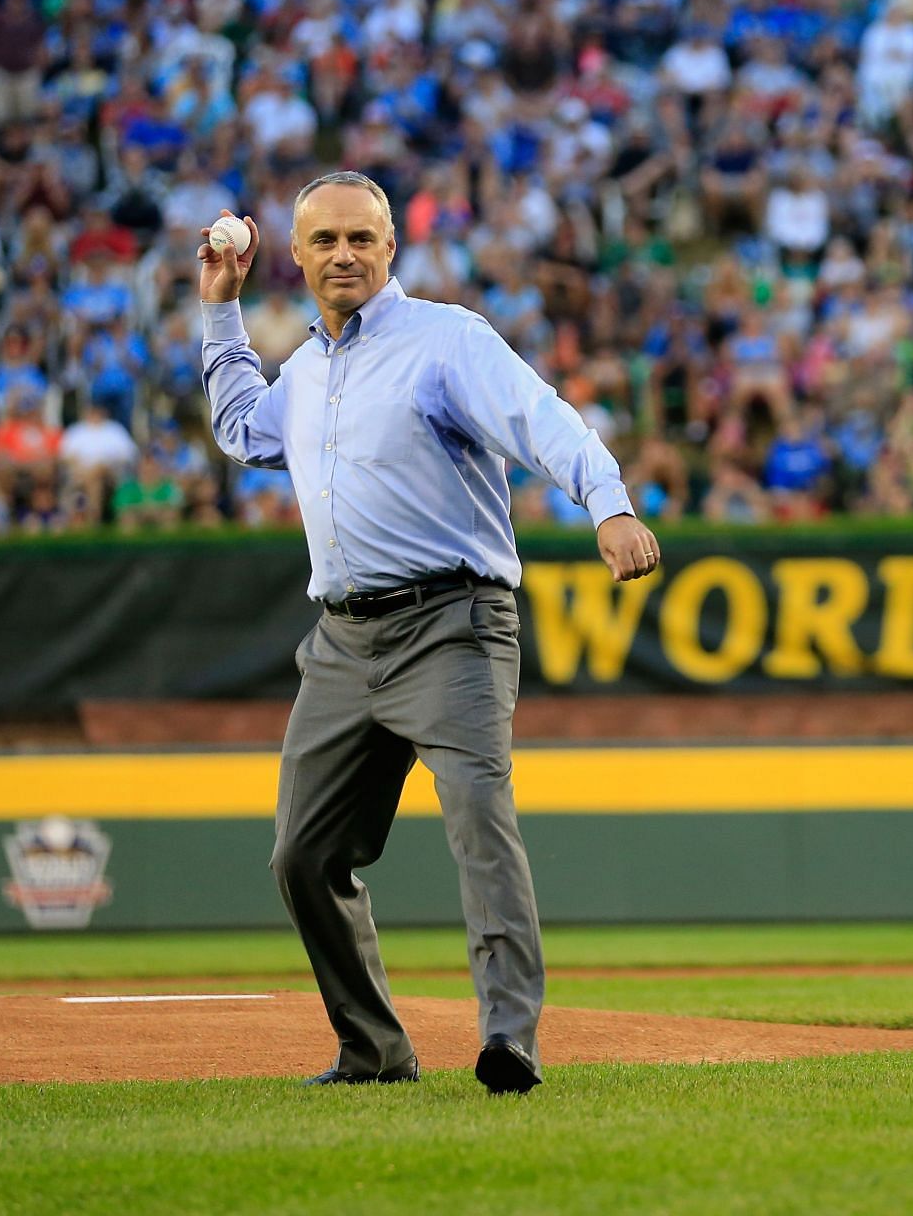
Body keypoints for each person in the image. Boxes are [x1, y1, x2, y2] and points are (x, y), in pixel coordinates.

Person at [197, 173, 659, 1094]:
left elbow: (543, 419)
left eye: (361, 238)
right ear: (296, 255)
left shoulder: (445, 341)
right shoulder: (310, 370)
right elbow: (246, 432)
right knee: (302, 856)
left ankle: (509, 1040)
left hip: (453, 623)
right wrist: (220, 314)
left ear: (390, 247)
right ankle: (373, 1048)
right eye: (324, 240)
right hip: (342, 641)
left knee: (480, 823)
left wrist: (607, 505)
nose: (343, 255)